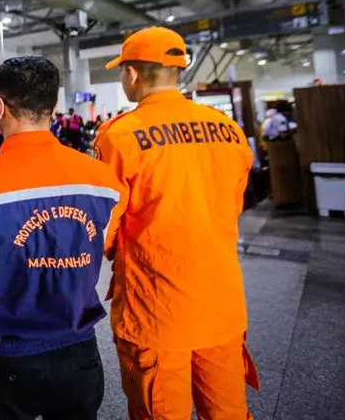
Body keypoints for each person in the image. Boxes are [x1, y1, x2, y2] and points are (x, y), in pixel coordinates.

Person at [0, 56, 122, 420]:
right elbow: (98, 248)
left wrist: (6, 282)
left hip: (5, 359)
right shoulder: (102, 179)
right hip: (79, 356)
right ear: (53, 107)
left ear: (0, 107)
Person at [93, 26, 259, 420]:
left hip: (157, 312)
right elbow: (232, 205)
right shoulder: (228, 130)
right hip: (221, 306)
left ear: (132, 74)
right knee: (230, 413)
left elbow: (105, 227)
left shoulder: (119, 136)